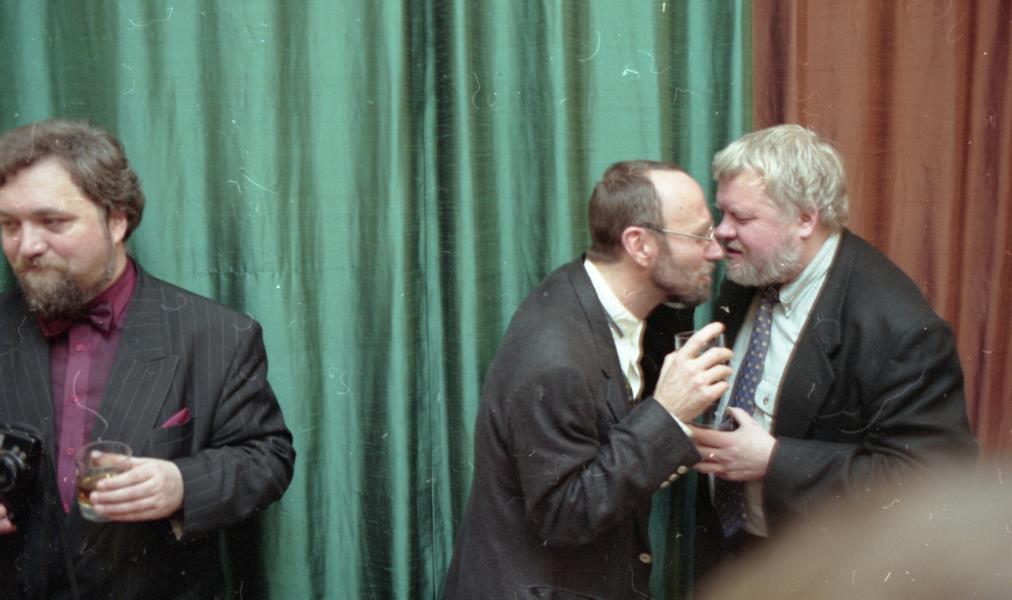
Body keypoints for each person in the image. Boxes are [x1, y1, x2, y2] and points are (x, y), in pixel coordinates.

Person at [0, 119, 296, 599]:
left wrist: (182, 485)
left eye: (52, 222)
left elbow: (267, 457)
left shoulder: (217, 334)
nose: (26, 246)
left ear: (117, 221)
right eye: (10, 225)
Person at [689, 124, 978, 581]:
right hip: (734, 555)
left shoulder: (900, 327)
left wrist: (774, 462)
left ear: (805, 219)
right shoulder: (754, 270)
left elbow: (930, 483)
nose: (721, 233)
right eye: (722, 212)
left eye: (741, 218)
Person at [442, 160, 733, 599]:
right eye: (699, 236)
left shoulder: (595, 294)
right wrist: (667, 414)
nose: (715, 252)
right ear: (639, 244)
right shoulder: (555, 356)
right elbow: (564, 515)